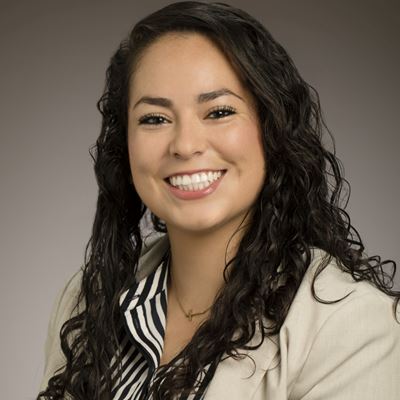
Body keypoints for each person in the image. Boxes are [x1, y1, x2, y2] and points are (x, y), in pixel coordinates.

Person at [37, 2, 400, 399]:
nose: (186, 145)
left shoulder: (352, 326)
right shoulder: (84, 300)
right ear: (123, 144)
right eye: (154, 118)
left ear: (271, 126)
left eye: (219, 111)